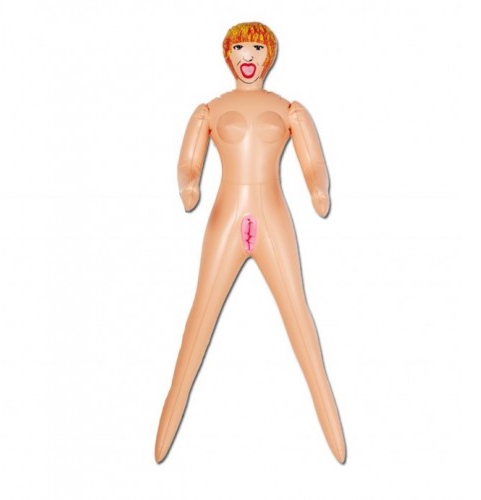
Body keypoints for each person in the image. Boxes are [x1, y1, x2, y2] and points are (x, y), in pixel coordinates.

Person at [155, 22, 346, 463]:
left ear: (269, 55)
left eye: (257, 48)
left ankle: (334, 433)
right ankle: (164, 432)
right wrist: (188, 186)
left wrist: (319, 190)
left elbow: (313, 164)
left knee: (298, 315)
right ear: (228, 54)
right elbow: (187, 163)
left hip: (273, 218)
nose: (248, 55)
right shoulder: (210, 110)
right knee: (199, 317)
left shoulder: (289, 110)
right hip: (225, 218)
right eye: (240, 46)